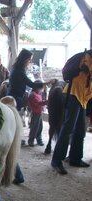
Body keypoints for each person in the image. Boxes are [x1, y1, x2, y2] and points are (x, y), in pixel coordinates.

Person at [7, 49, 54, 184]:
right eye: (29, 59)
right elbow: (32, 84)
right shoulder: (19, 72)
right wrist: (47, 82)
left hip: (14, 97)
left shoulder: (16, 69)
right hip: (14, 99)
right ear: (25, 59)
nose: (30, 61)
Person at [51, 51, 92, 174]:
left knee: (80, 130)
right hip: (74, 94)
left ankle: (75, 158)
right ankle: (56, 160)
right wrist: (82, 69)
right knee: (68, 128)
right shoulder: (85, 57)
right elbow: (71, 73)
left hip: (83, 98)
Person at [27, 81, 48, 146]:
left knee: (39, 127)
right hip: (35, 113)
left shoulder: (38, 94)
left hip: (39, 113)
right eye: (40, 88)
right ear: (36, 88)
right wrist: (45, 102)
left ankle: (39, 139)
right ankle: (31, 140)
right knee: (34, 127)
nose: (41, 90)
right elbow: (38, 103)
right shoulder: (33, 95)